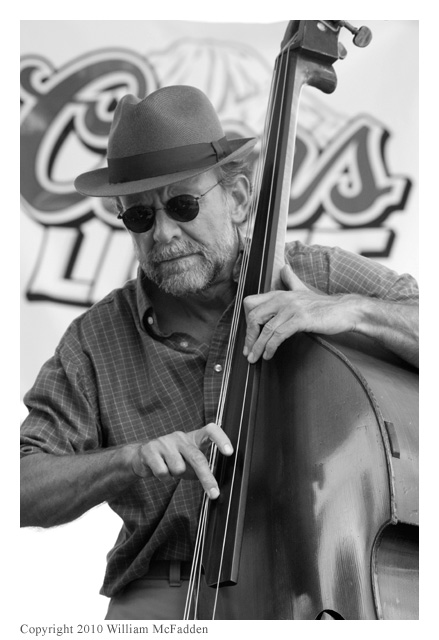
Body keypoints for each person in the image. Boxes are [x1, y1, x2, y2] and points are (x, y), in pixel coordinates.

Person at [20, 85, 419, 620]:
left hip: (316, 582)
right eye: (139, 217)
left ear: (238, 198)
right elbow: (21, 487)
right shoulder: (94, 340)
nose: (163, 233)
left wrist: (352, 311)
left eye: (182, 205)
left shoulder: (314, 274)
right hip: (165, 592)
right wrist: (129, 459)